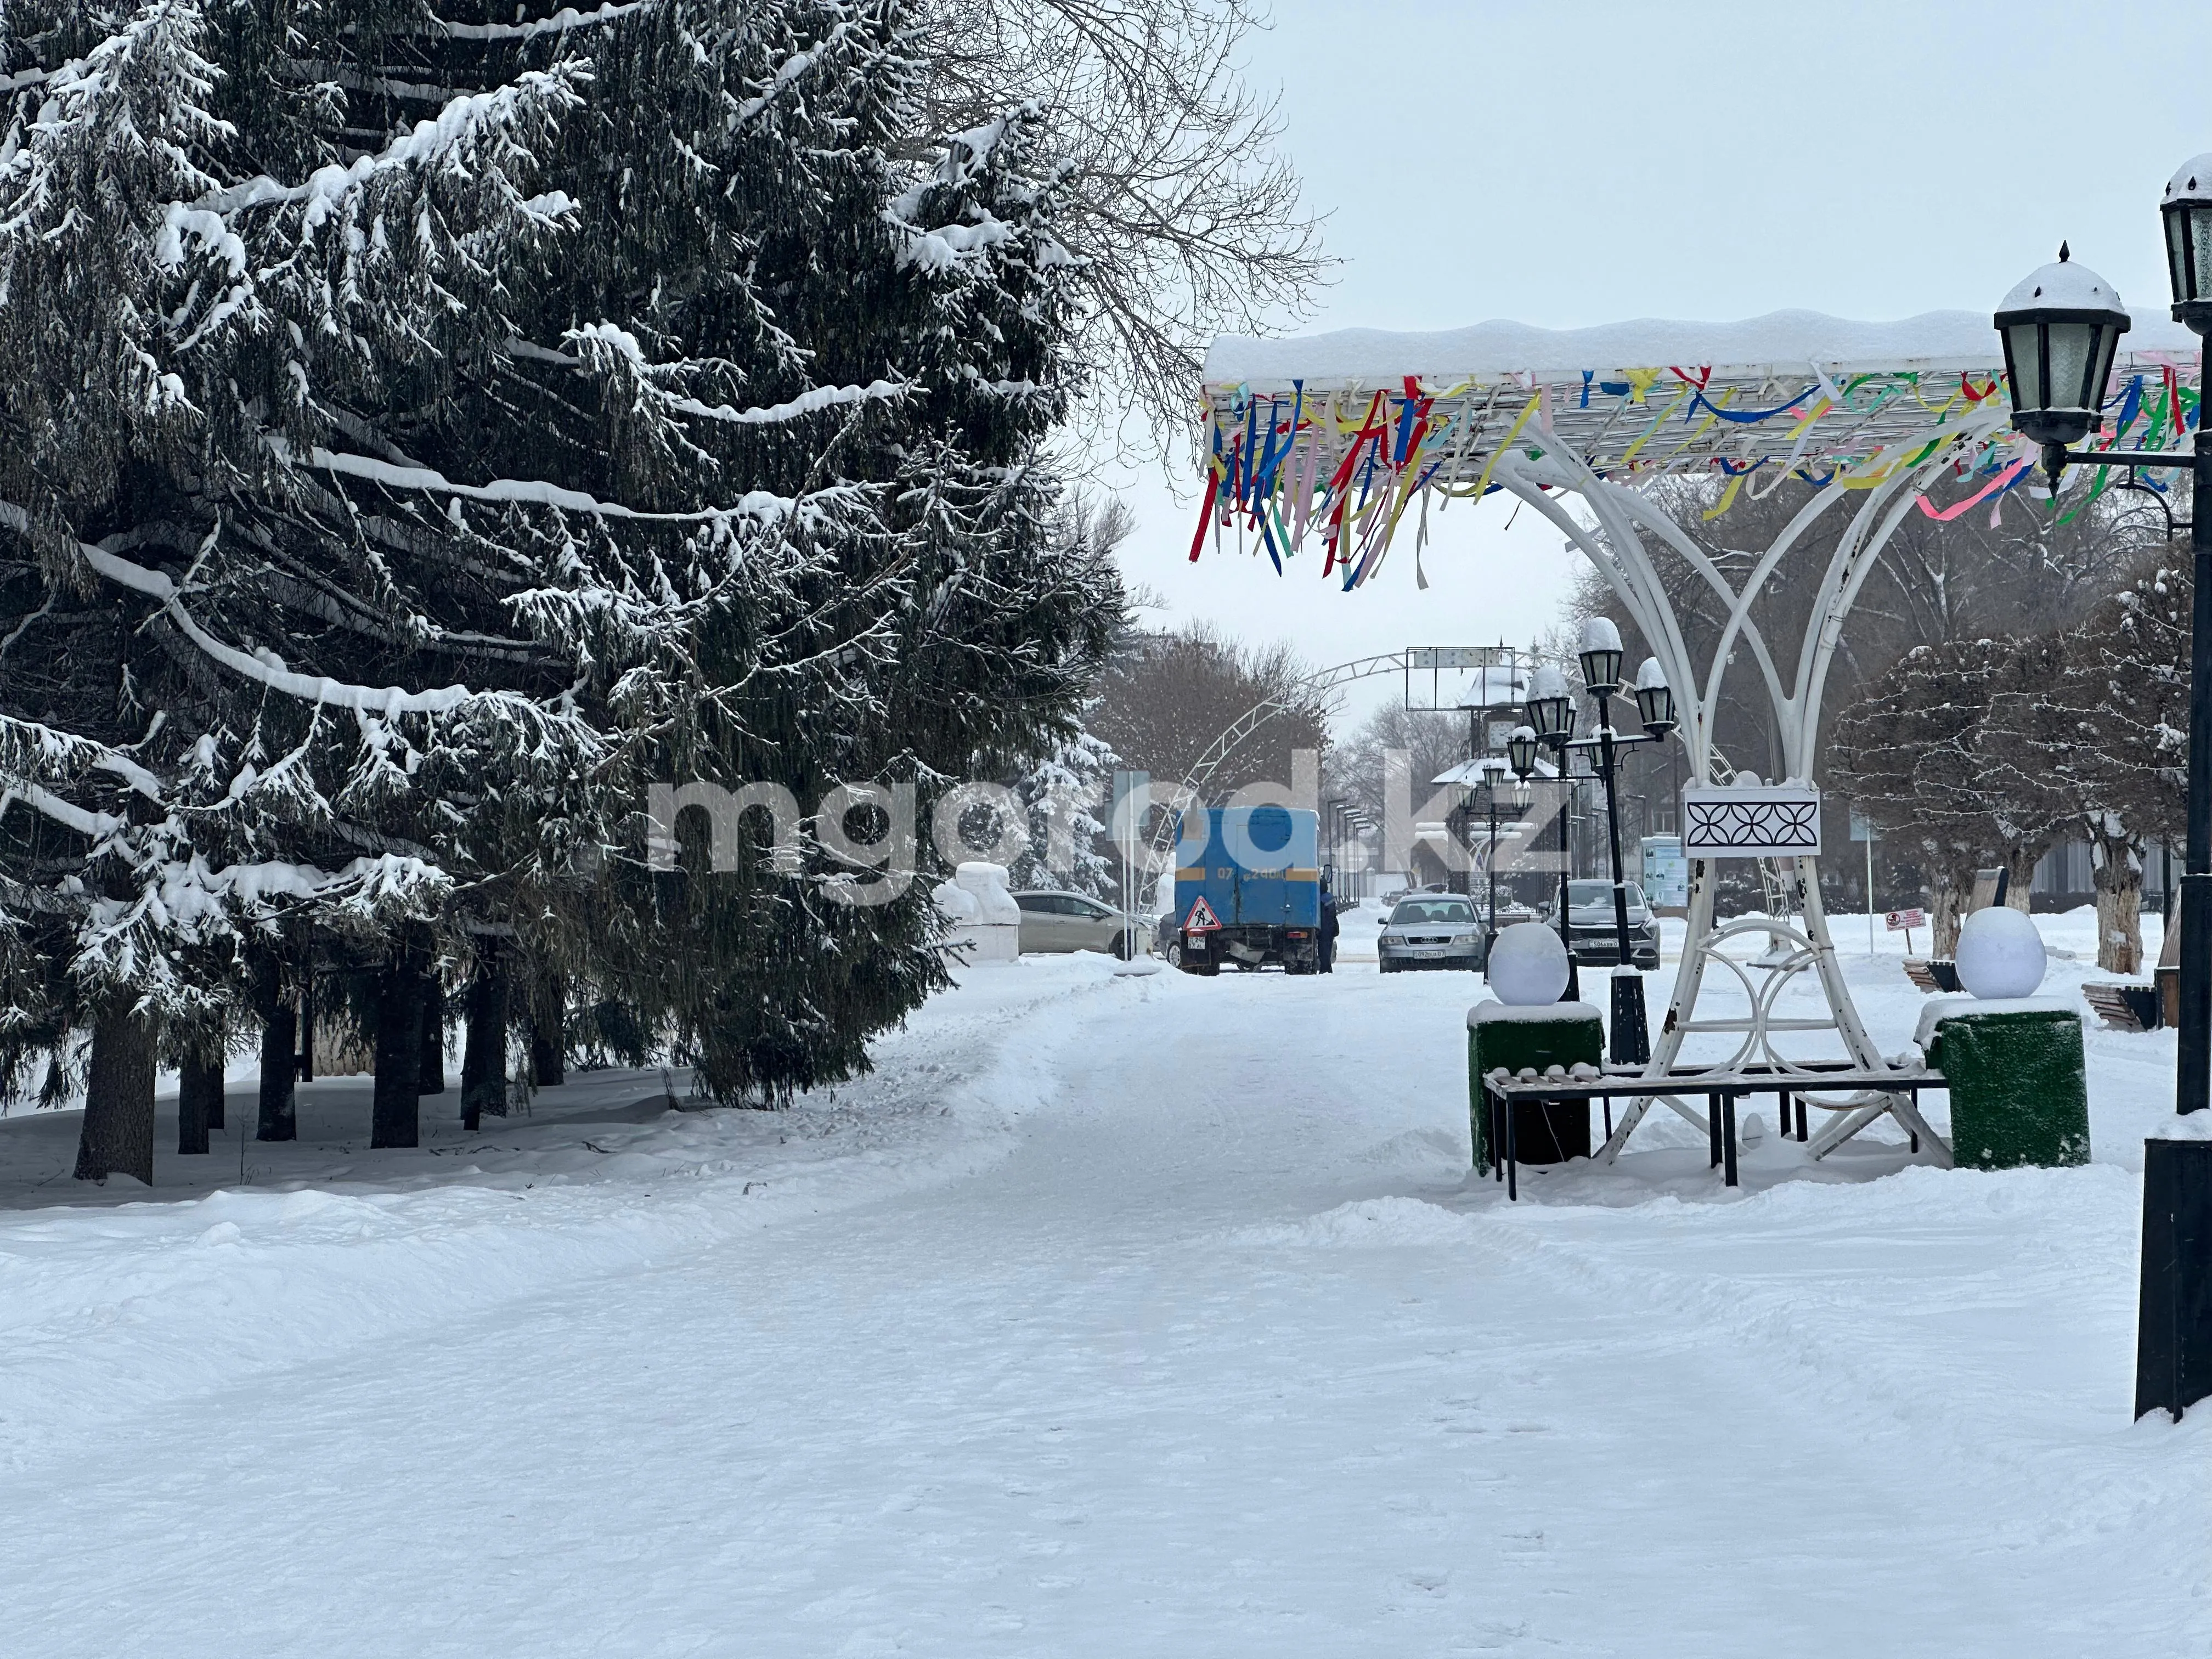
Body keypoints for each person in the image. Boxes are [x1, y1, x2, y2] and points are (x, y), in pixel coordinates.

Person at [1318, 888, 1339, 974]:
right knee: (1327, 950)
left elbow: (1324, 915)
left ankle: (1325, 970)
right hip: (1330, 928)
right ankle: (1327, 969)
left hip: (1325, 928)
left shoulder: (1321, 898)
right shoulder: (1329, 897)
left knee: (1324, 951)